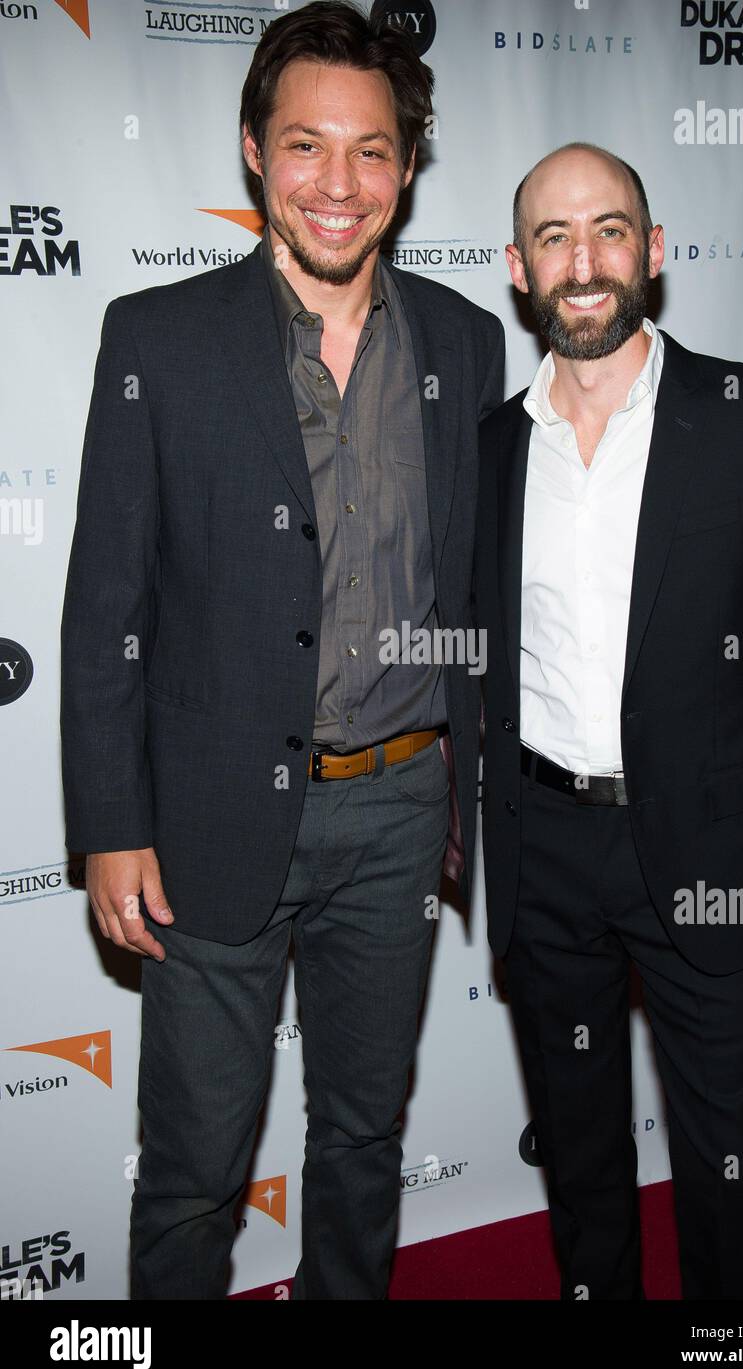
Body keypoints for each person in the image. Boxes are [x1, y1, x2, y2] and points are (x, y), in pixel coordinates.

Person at [60, 0, 504, 1300]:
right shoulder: (158, 337)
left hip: (402, 809)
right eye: (306, 144)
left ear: (407, 168)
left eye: (370, 151)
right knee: (196, 1164)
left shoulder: (466, 343)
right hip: (205, 818)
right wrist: (111, 822)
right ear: (254, 148)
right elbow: (106, 606)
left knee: (363, 1140)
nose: (338, 182)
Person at [475, 141, 743, 1300]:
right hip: (545, 853)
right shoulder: (488, 449)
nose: (581, 261)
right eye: (552, 236)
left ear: (650, 251)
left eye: (607, 230)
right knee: (581, 1170)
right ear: (515, 267)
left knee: (727, 1174)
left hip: (715, 853)